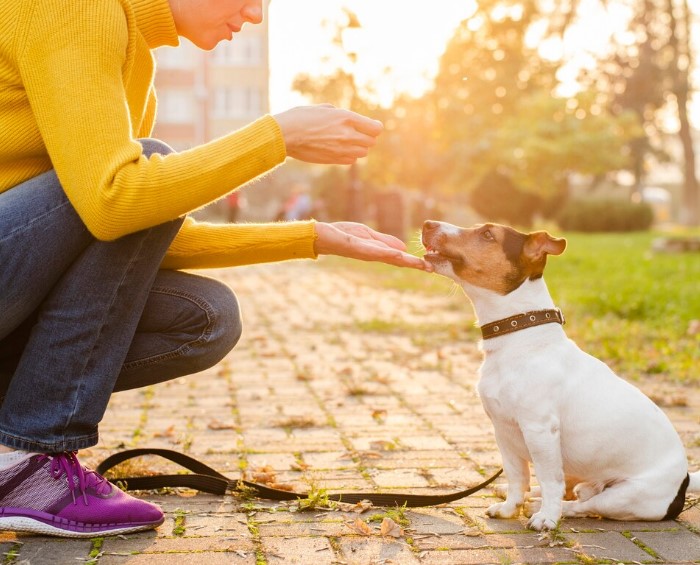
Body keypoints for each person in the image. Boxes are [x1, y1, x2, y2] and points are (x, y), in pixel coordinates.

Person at [0, 0, 431, 538]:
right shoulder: (77, 9)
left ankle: (16, 453)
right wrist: (276, 136)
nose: (254, 15)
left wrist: (315, 237)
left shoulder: (135, 61)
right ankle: (25, 459)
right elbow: (116, 202)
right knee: (150, 166)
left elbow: (135, 232)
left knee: (206, 315)